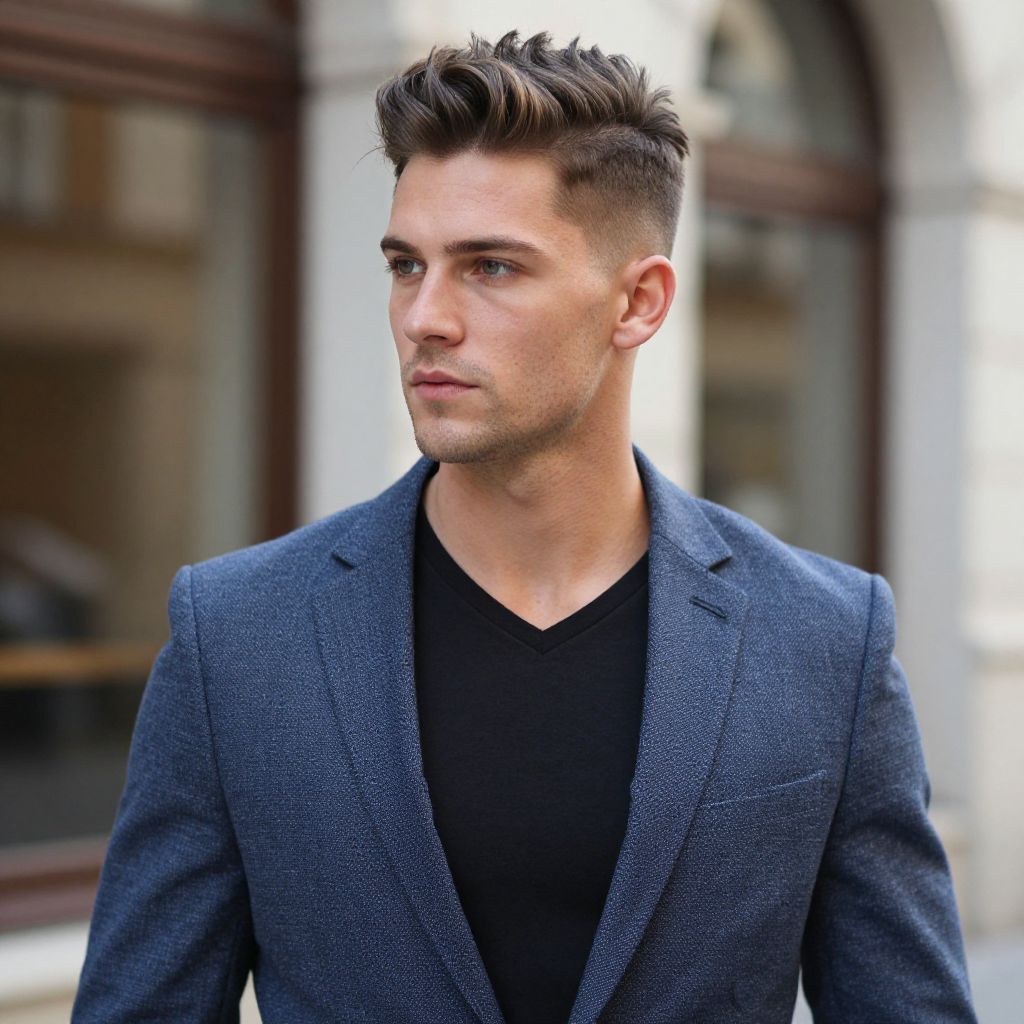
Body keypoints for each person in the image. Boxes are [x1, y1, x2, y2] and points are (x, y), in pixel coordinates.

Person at [72, 29, 976, 1024]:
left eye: (490, 267)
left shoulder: (825, 641)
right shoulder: (238, 638)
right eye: (405, 264)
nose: (426, 316)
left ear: (638, 300)